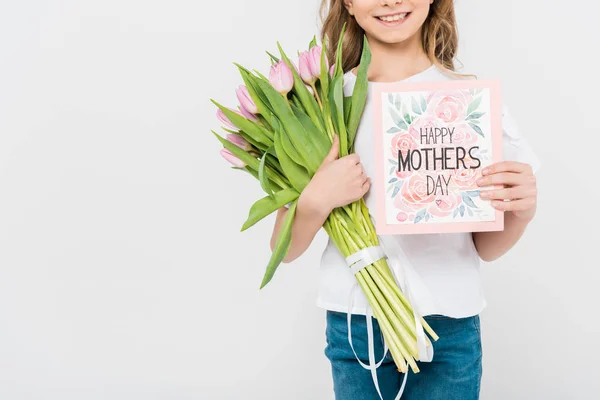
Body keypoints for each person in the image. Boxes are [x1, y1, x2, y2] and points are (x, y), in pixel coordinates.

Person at [270, 0, 541, 399]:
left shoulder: (468, 104)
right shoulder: (320, 105)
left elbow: (486, 247)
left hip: (450, 322)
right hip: (357, 325)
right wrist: (316, 199)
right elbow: (283, 249)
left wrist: (521, 213)